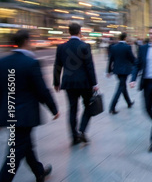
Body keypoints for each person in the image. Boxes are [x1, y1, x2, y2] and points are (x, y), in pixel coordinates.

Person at [0, 30, 59, 182]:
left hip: (9, 111)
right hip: (24, 114)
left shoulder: (3, 62)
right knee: (16, 151)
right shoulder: (30, 63)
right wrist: (53, 108)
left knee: (26, 144)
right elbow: (41, 90)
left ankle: (39, 172)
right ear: (26, 41)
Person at [53, 23, 98, 145]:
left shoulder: (61, 47)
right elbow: (90, 66)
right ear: (80, 32)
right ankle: (82, 130)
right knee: (88, 106)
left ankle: (74, 137)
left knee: (72, 109)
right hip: (84, 83)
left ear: (69, 32)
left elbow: (57, 66)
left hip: (69, 83)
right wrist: (94, 83)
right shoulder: (85, 46)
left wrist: (56, 82)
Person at [107, 32, 136, 114]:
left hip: (116, 70)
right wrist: (138, 64)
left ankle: (129, 103)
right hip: (125, 70)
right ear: (125, 38)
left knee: (122, 86)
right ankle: (112, 107)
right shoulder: (127, 47)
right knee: (120, 87)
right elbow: (132, 58)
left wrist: (109, 70)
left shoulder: (113, 47)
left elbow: (111, 60)